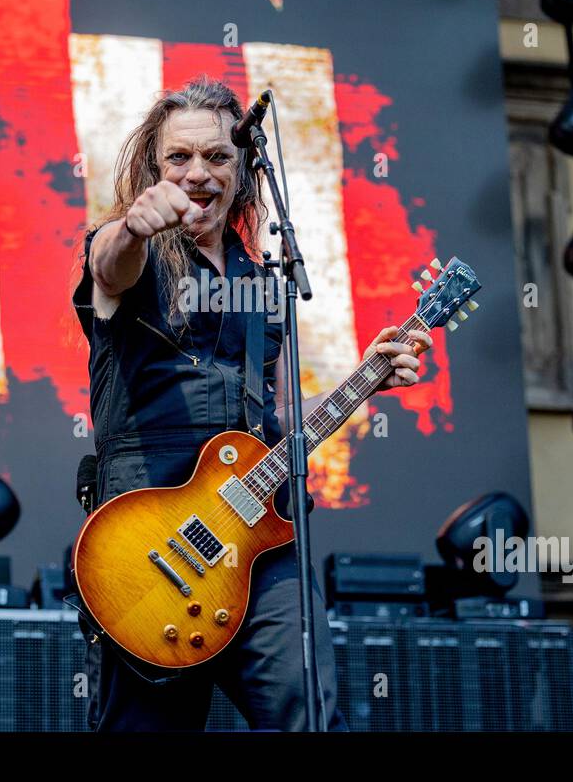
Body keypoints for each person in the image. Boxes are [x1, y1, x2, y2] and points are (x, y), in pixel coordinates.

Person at [71, 76, 432, 731]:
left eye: (217, 157)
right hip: (149, 538)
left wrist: (367, 379)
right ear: (156, 167)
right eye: (179, 158)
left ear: (242, 172)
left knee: (308, 708)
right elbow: (105, 268)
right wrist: (131, 228)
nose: (197, 171)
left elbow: (276, 420)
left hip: (257, 546)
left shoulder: (262, 283)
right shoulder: (137, 254)